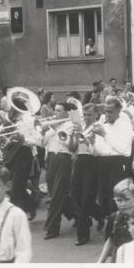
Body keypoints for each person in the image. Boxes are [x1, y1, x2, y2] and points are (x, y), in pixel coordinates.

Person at [69, 103, 105, 246]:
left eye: (89, 115)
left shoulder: (98, 127)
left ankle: (83, 234)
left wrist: (84, 134)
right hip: (80, 161)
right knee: (74, 195)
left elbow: (96, 150)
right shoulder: (82, 127)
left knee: (85, 198)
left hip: (93, 162)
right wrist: (73, 135)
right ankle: (99, 214)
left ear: (96, 114)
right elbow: (72, 148)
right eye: (85, 115)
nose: (87, 118)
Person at [93, 98, 134, 217]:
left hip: (119, 162)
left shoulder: (126, 126)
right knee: (104, 197)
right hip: (104, 162)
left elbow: (121, 148)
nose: (107, 114)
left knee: (117, 197)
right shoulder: (104, 125)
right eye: (105, 111)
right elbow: (100, 150)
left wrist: (104, 135)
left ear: (118, 111)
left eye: (110, 112)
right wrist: (91, 143)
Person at [42, 102, 76, 239]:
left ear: (66, 113)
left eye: (59, 111)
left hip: (63, 158)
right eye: (55, 110)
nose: (55, 113)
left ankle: (52, 228)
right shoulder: (51, 126)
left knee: (56, 195)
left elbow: (70, 145)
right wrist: (44, 131)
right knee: (58, 192)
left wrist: (55, 129)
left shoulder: (70, 126)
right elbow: (42, 143)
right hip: (51, 159)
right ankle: (78, 216)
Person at [97, 178, 134, 263]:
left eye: (127, 199)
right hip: (118, 260)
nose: (123, 204)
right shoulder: (114, 218)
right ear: (114, 200)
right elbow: (111, 240)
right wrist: (100, 262)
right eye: (119, 200)